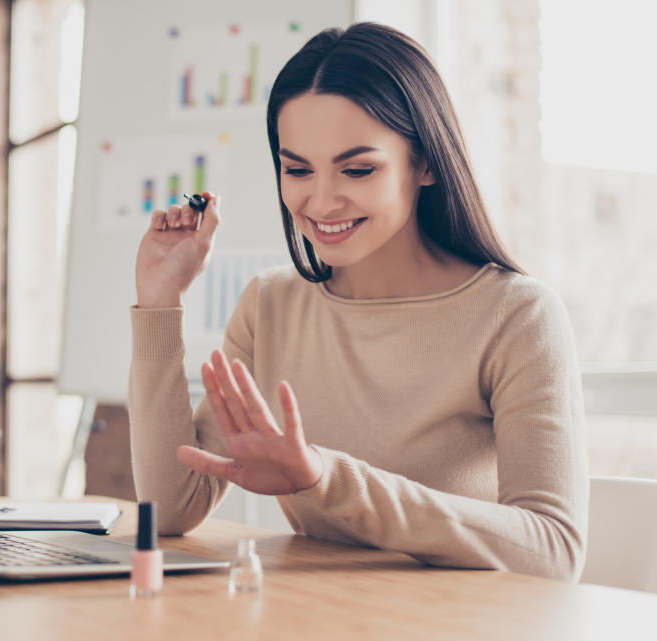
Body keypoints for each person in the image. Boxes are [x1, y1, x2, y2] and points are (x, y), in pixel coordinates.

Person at [129, 22, 587, 581]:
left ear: (425, 163)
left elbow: (554, 550)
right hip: (318, 615)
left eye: (358, 169)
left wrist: (325, 477)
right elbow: (173, 508)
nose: (320, 200)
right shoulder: (270, 305)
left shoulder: (517, 316)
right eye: (297, 169)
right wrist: (158, 304)